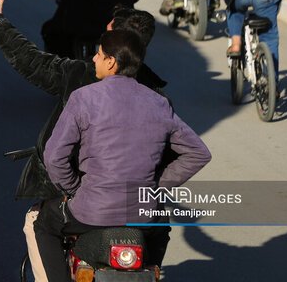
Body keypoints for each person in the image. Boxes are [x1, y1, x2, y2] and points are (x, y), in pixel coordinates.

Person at [0, 0, 170, 282]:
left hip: (82, 202)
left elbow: (31, 62)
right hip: (137, 204)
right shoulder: (157, 96)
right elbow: (179, 154)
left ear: (114, 50)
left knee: (37, 222)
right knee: (161, 224)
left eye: (107, 36)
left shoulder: (82, 78)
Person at [35, 29, 212, 282]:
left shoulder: (84, 98)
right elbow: (198, 153)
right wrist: (153, 188)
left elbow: (54, 156)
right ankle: (150, 272)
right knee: (161, 228)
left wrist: (74, 188)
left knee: (44, 225)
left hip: (90, 213)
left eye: (98, 54)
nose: (94, 59)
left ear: (111, 61)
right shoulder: (158, 102)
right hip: (143, 213)